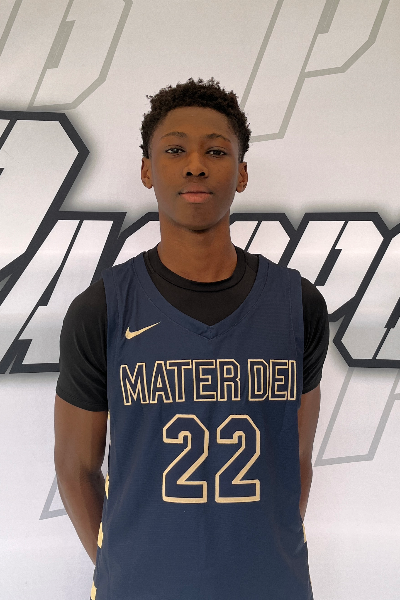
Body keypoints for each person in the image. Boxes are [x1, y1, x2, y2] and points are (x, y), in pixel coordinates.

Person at [54, 77, 329, 600]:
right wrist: (127, 567)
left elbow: (294, 461)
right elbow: (75, 468)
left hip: (270, 585)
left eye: (217, 151)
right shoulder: (102, 308)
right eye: (175, 150)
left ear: (241, 173)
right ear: (147, 170)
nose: (196, 165)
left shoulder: (297, 303)